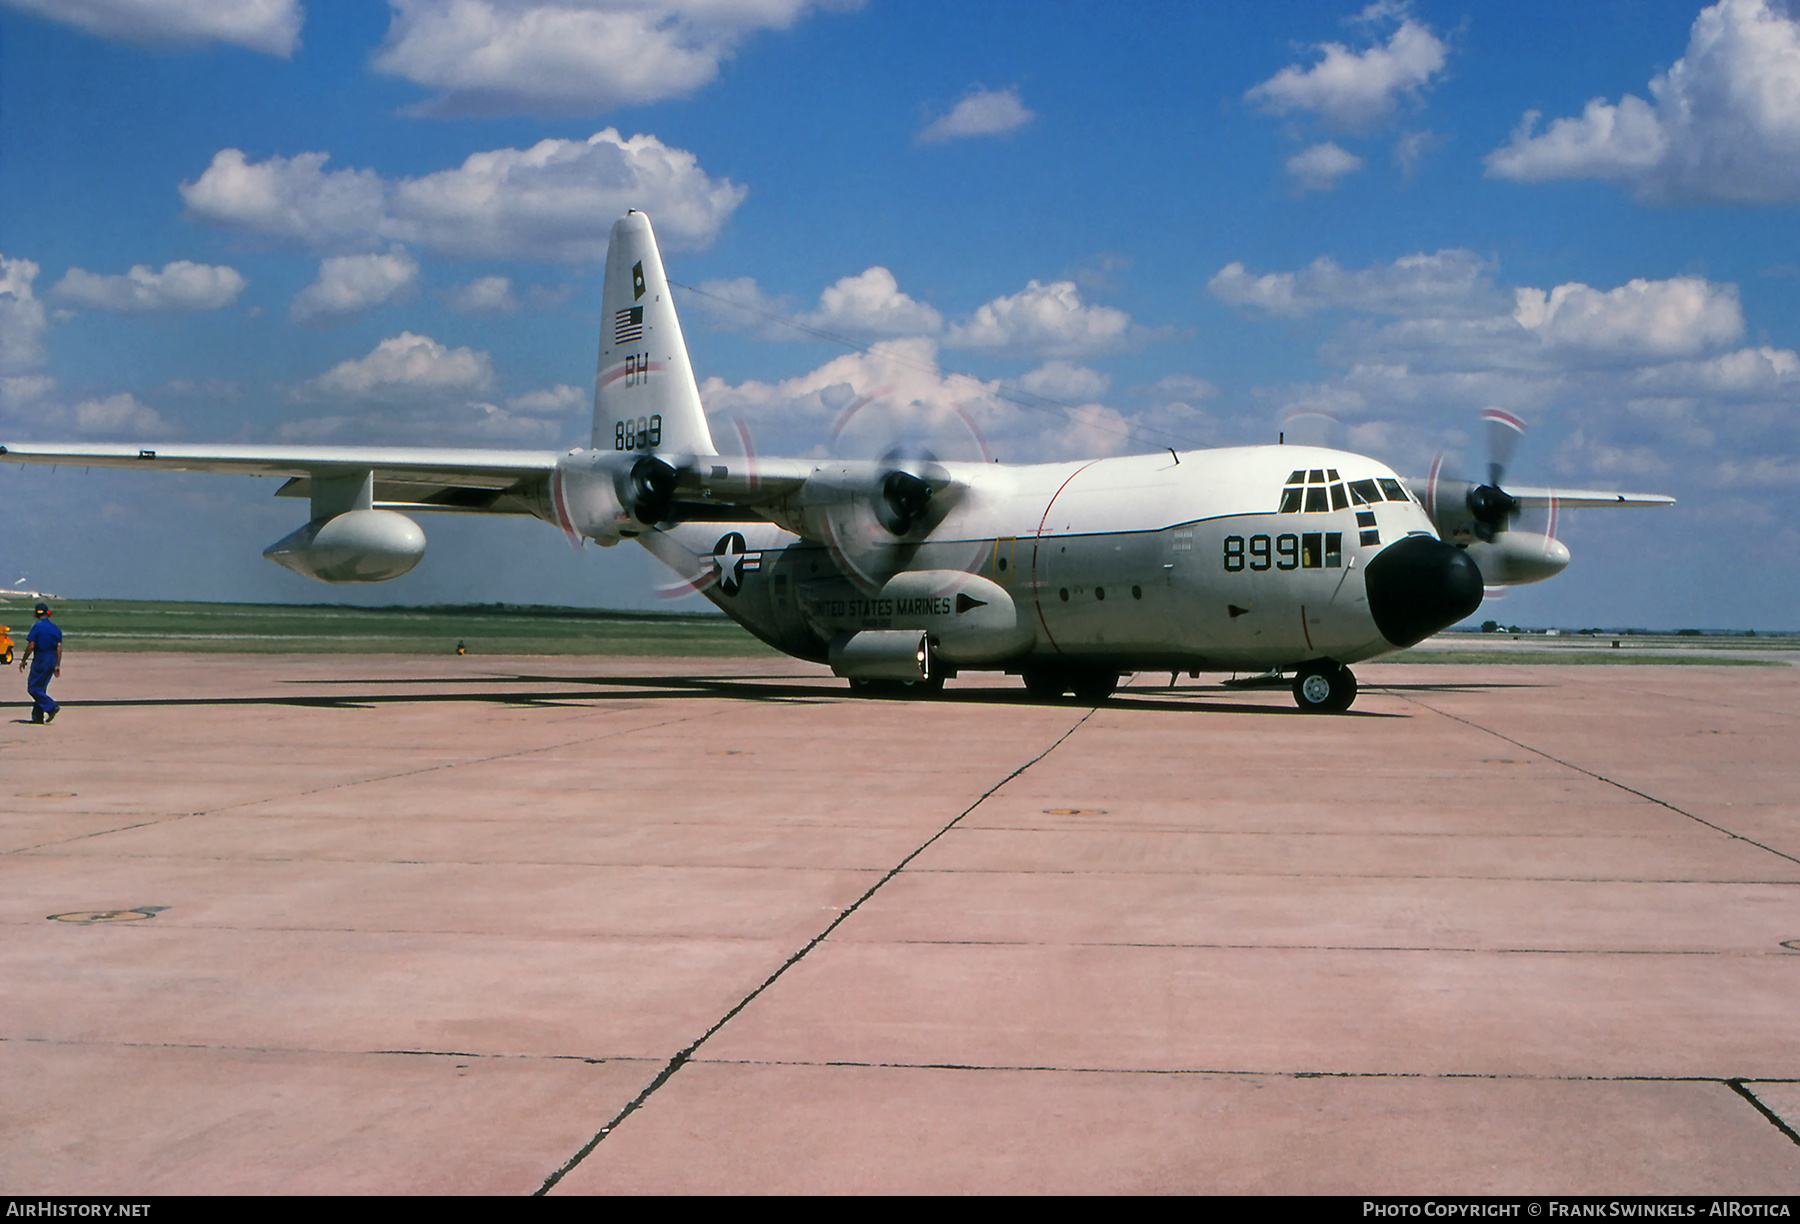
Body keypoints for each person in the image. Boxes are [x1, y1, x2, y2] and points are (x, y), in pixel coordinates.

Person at [19, 602, 61, 724]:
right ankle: (37, 717)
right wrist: (57, 664)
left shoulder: (37, 627)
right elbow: (59, 647)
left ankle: (51, 706)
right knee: (41, 689)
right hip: (52, 659)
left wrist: (24, 659)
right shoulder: (55, 628)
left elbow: (31, 645)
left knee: (33, 688)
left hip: (41, 659)